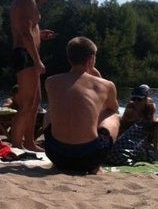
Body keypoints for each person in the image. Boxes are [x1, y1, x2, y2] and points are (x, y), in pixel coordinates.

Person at [43, 37, 120, 174]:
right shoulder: (106, 85)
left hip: (56, 155)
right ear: (91, 59)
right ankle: (96, 164)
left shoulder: (50, 82)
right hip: (89, 158)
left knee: (52, 109)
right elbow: (112, 108)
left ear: (69, 58)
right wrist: (98, 76)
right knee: (113, 115)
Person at [9, 0, 58, 151]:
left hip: (28, 53)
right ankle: (16, 145)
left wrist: (40, 34)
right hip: (25, 54)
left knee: (35, 102)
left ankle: (29, 142)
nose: (46, 0)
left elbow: (30, 29)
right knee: (27, 104)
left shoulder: (28, 0)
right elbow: (24, 33)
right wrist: (37, 61)